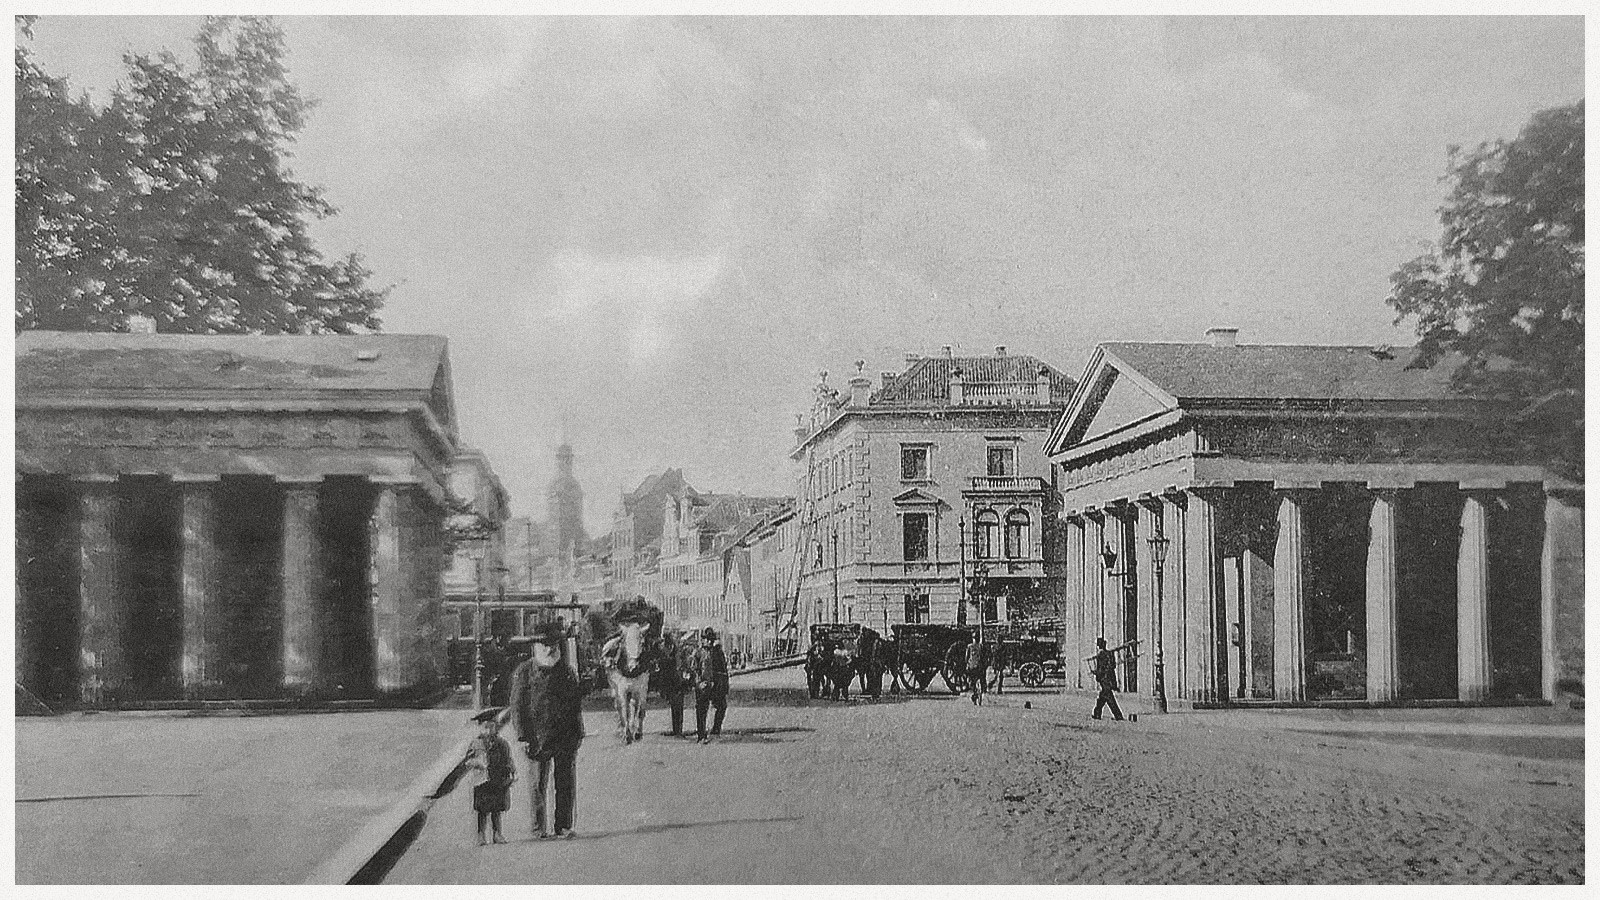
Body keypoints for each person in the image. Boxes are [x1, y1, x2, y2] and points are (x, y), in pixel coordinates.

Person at [508, 622, 586, 839]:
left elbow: (574, 705)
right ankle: (538, 828)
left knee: (565, 783)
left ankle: (563, 826)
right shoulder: (524, 672)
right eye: (544, 644)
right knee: (537, 784)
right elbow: (517, 707)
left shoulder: (567, 672)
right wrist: (522, 736)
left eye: (553, 644)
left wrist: (578, 732)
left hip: (564, 737)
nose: (550, 648)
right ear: (535, 646)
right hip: (536, 738)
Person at [465, 706, 515, 845]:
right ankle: (480, 835)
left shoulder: (502, 743)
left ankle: (497, 833)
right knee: (482, 809)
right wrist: (476, 763)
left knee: (496, 809)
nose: (489, 730)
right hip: (482, 780)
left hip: (497, 779)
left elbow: (508, 759)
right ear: (481, 728)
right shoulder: (476, 743)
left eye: (492, 727)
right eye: (486, 727)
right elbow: (467, 761)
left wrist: (511, 772)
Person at [692, 627, 729, 743]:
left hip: (716, 685)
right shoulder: (698, 653)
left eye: (709, 639)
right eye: (705, 639)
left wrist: (724, 685)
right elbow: (694, 669)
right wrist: (698, 683)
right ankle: (701, 736)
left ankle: (716, 731)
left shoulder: (718, 652)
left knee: (722, 706)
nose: (707, 641)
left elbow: (723, 670)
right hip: (703, 685)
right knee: (701, 710)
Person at [654, 631, 688, 737]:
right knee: (676, 705)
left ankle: (678, 730)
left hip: (676, 681)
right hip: (672, 681)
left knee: (677, 705)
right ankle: (677, 729)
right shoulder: (668, 649)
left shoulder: (672, 649)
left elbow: (680, 663)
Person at [1091, 637, 1125, 721]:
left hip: (1104, 679)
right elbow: (1112, 665)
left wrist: (1096, 673)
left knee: (1109, 698)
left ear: (1099, 646)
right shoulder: (1110, 653)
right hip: (1110, 678)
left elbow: (1101, 669)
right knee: (1102, 698)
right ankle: (1097, 713)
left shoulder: (1100, 655)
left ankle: (1118, 716)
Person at [965, 639, 987, 705]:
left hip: (972, 667)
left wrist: (967, 664)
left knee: (972, 682)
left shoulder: (970, 646)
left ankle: (975, 693)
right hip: (979, 666)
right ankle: (982, 689)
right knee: (982, 679)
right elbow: (984, 657)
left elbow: (966, 657)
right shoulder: (981, 646)